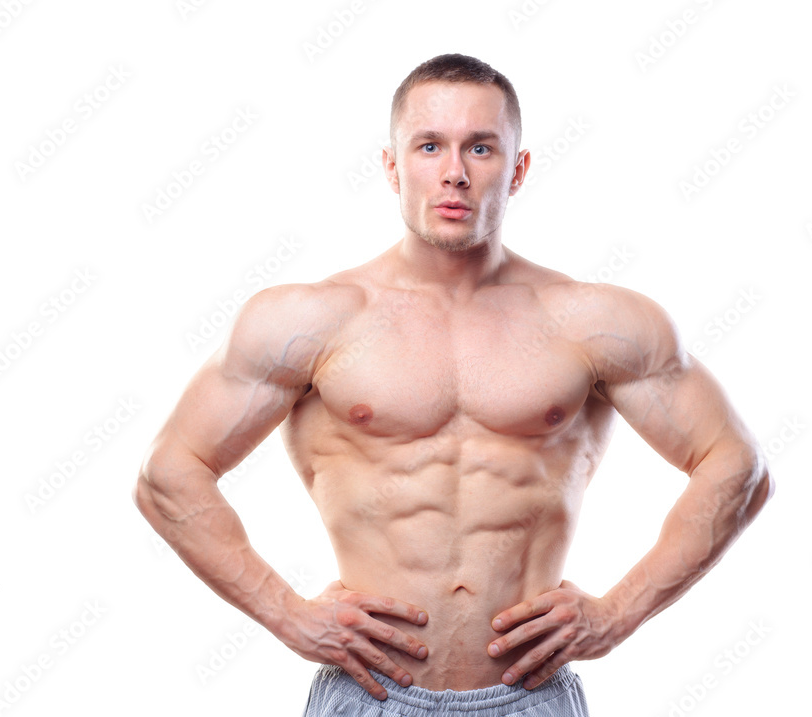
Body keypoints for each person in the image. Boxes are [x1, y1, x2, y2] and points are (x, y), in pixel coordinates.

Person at [133, 53, 774, 716]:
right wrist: (288, 614)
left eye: (481, 148)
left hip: (529, 695)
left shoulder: (593, 320)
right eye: (430, 145)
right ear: (391, 165)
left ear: (518, 169)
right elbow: (168, 473)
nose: (455, 173)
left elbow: (738, 468)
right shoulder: (310, 319)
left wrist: (614, 615)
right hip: (371, 692)